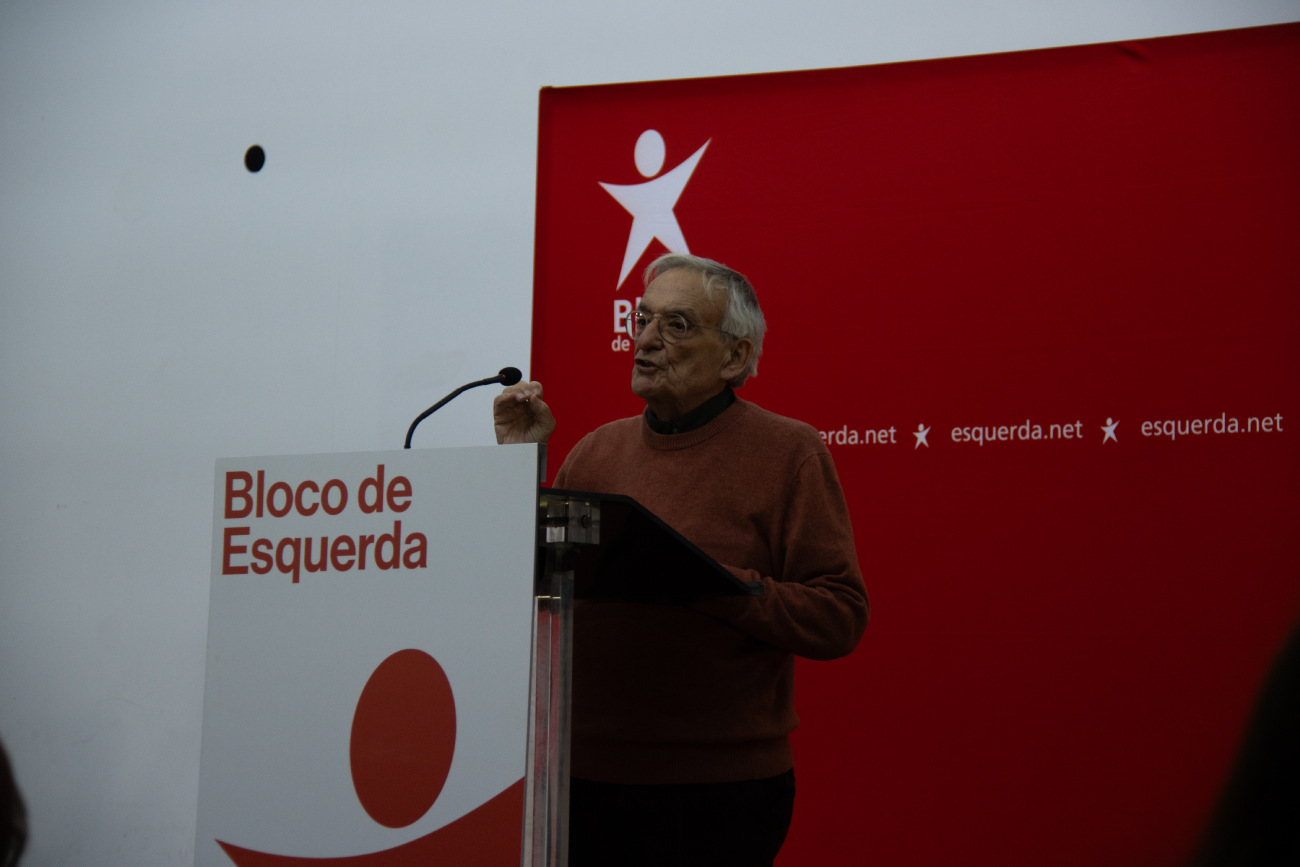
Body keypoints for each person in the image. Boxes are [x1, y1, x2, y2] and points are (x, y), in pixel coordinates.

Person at [494, 253, 868, 866]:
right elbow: (534, 584)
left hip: (715, 793)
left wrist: (711, 584)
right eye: (643, 320)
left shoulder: (788, 452)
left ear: (735, 357)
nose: (644, 340)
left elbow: (839, 614)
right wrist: (514, 470)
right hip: (578, 777)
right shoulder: (594, 451)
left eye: (677, 325)